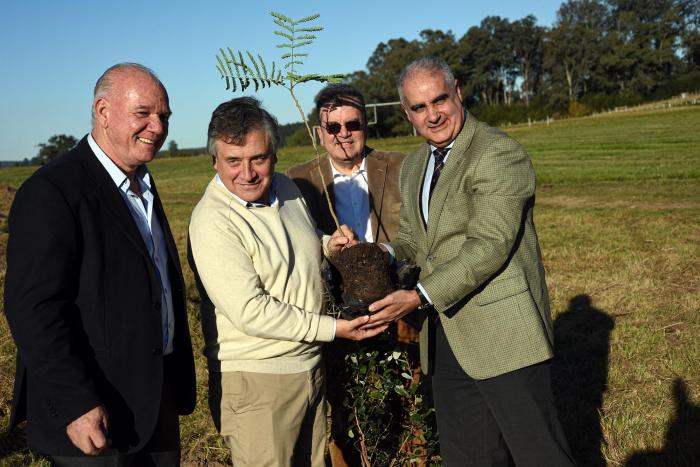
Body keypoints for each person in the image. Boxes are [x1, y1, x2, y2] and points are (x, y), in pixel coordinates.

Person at [364, 56, 575, 466]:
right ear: (406, 113)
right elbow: (412, 239)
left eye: (439, 100)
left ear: (457, 92)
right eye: (419, 107)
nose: (433, 114)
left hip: (504, 335)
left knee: (539, 454)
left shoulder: (497, 152)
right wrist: (380, 253)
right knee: (469, 456)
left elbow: (489, 245)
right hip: (444, 337)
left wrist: (419, 296)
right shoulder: (414, 166)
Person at [4, 63, 196, 466]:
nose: (157, 127)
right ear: (103, 111)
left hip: (155, 402)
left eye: (164, 116)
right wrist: (75, 402)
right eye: (143, 114)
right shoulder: (52, 191)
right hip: (94, 415)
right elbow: (34, 309)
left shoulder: (140, 181)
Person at [187, 97, 387, 467]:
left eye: (258, 158)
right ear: (214, 161)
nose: (247, 173)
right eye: (233, 161)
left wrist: (330, 244)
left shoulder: (285, 188)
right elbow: (252, 311)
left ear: (275, 155)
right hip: (258, 382)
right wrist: (333, 328)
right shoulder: (213, 222)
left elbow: (301, 242)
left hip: (308, 366)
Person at [286, 84, 405, 244]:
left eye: (353, 124)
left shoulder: (400, 167)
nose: (344, 133)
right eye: (333, 127)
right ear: (320, 135)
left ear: (365, 127)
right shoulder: (297, 181)